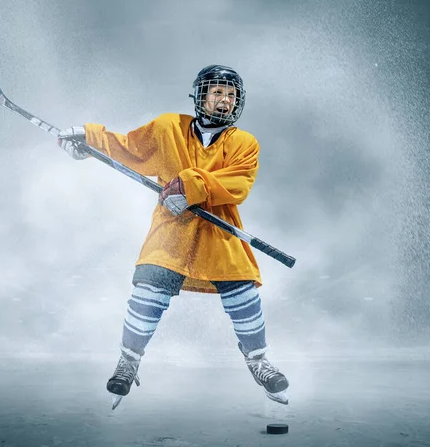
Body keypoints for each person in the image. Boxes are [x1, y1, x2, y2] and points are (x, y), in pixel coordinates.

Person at [58, 65, 289, 409]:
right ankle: (128, 360)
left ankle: (258, 361)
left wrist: (190, 185)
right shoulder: (168, 127)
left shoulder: (244, 143)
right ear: (200, 95)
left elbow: (238, 184)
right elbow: (129, 149)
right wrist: (88, 139)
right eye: (217, 92)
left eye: (230, 95)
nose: (224, 101)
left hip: (218, 230)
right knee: (149, 288)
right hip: (172, 229)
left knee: (242, 292)